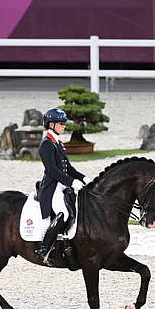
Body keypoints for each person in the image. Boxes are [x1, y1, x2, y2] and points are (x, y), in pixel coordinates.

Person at [34, 108, 89, 265]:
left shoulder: (57, 142)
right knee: (63, 213)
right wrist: (71, 182)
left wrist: (83, 178)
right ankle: (44, 249)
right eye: (61, 123)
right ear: (51, 124)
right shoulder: (46, 144)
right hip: (52, 188)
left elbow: (68, 168)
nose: (64, 126)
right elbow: (52, 170)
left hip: (63, 185)